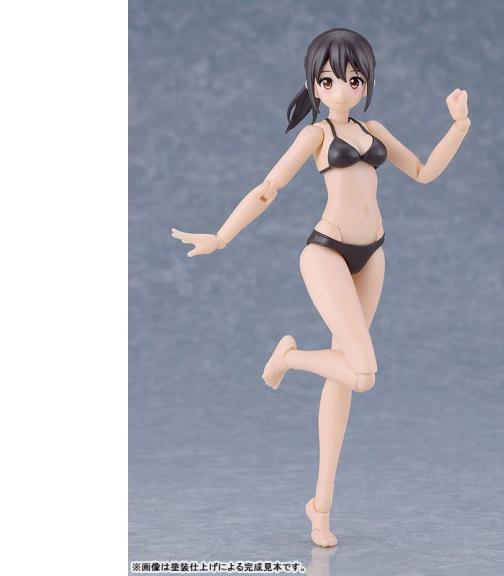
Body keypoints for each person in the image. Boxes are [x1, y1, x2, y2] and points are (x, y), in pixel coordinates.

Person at [172, 28, 470, 547]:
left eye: (353, 79)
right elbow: (268, 188)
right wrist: (221, 236)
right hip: (326, 253)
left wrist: (460, 125)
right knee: (362, 373)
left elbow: (423, 172)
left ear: (366, 82)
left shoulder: (374, 129)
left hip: (372, 256)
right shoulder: (316, 136)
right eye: (328, 80)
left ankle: (321, 507)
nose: (342, 88)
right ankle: (288, 357)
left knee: (343, 379)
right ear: (314, 84)